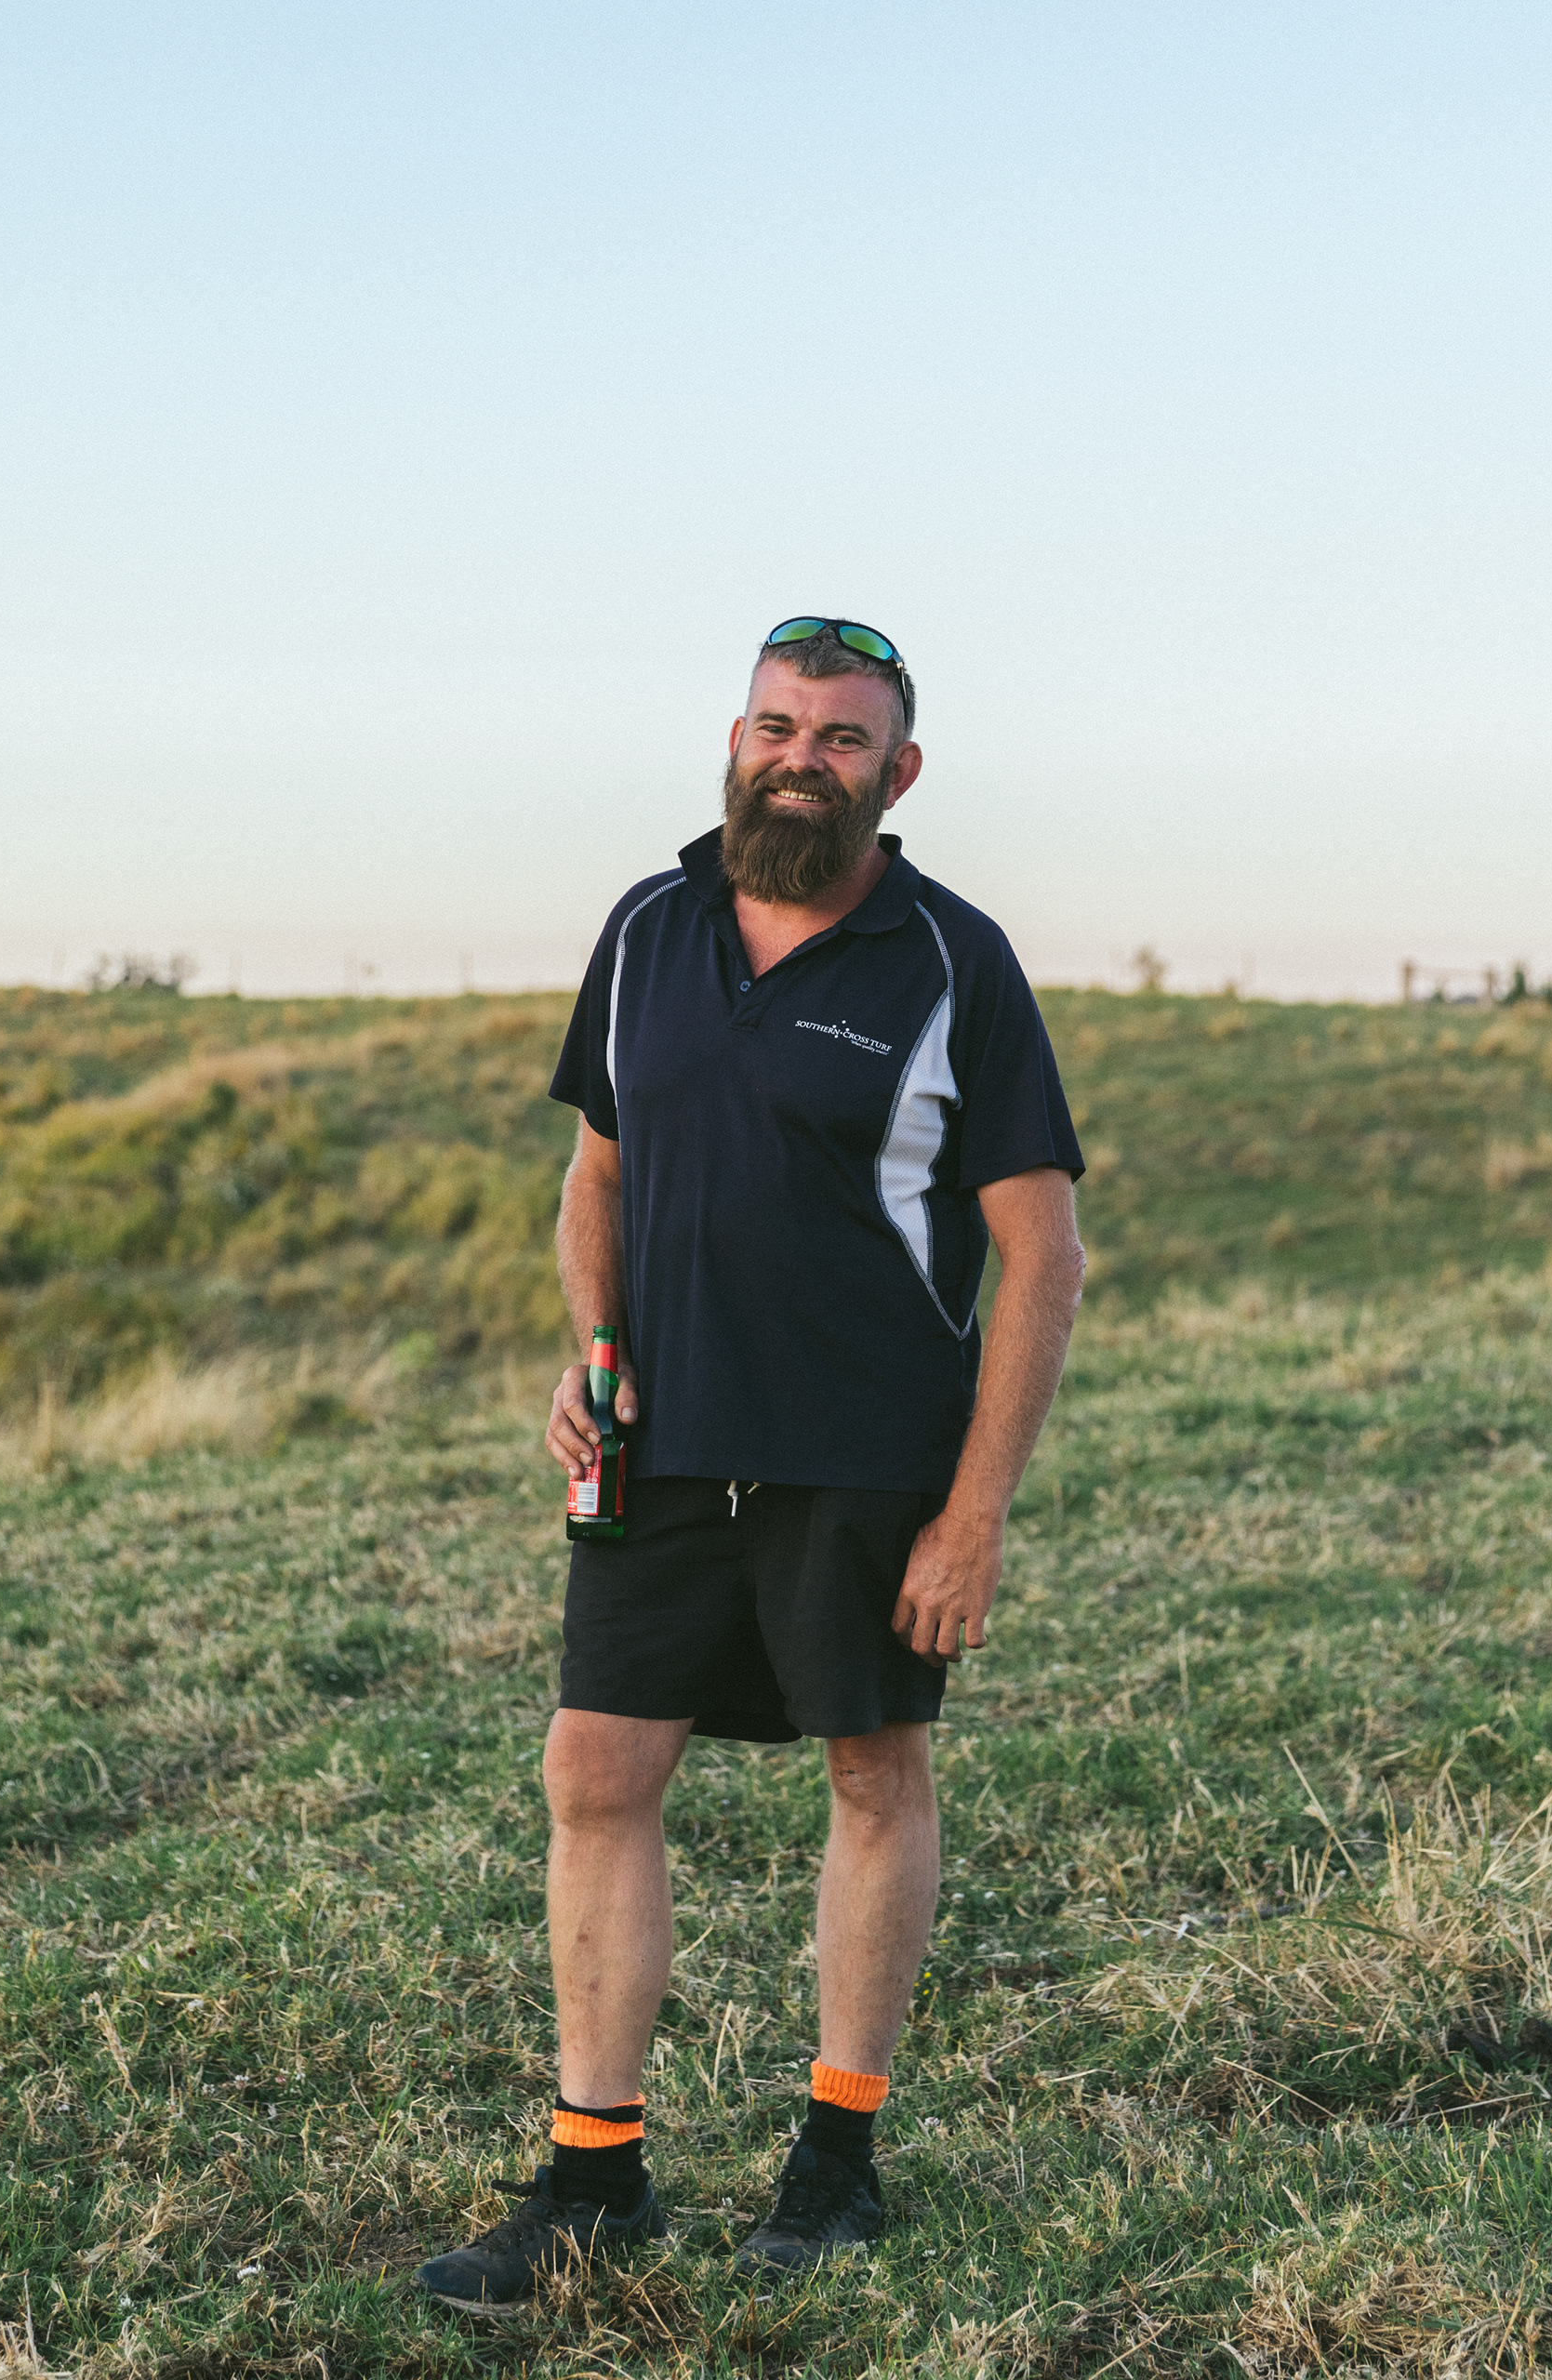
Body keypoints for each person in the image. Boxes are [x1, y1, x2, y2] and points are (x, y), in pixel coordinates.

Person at [416, 616, 1086, 2307]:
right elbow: (599, 1172)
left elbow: (1046, 1254)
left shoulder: (955, 961)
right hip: (665, 1443)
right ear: (734, 738)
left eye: (843, 739)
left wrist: (974, 1513)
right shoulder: (648, 928)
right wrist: (595, 1349)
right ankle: (595, 2174)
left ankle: (836, 2162)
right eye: (780, 726)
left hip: (869, 1457)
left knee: (871, 1775)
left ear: (899, 772)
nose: (803, 758)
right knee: (595, 1773)